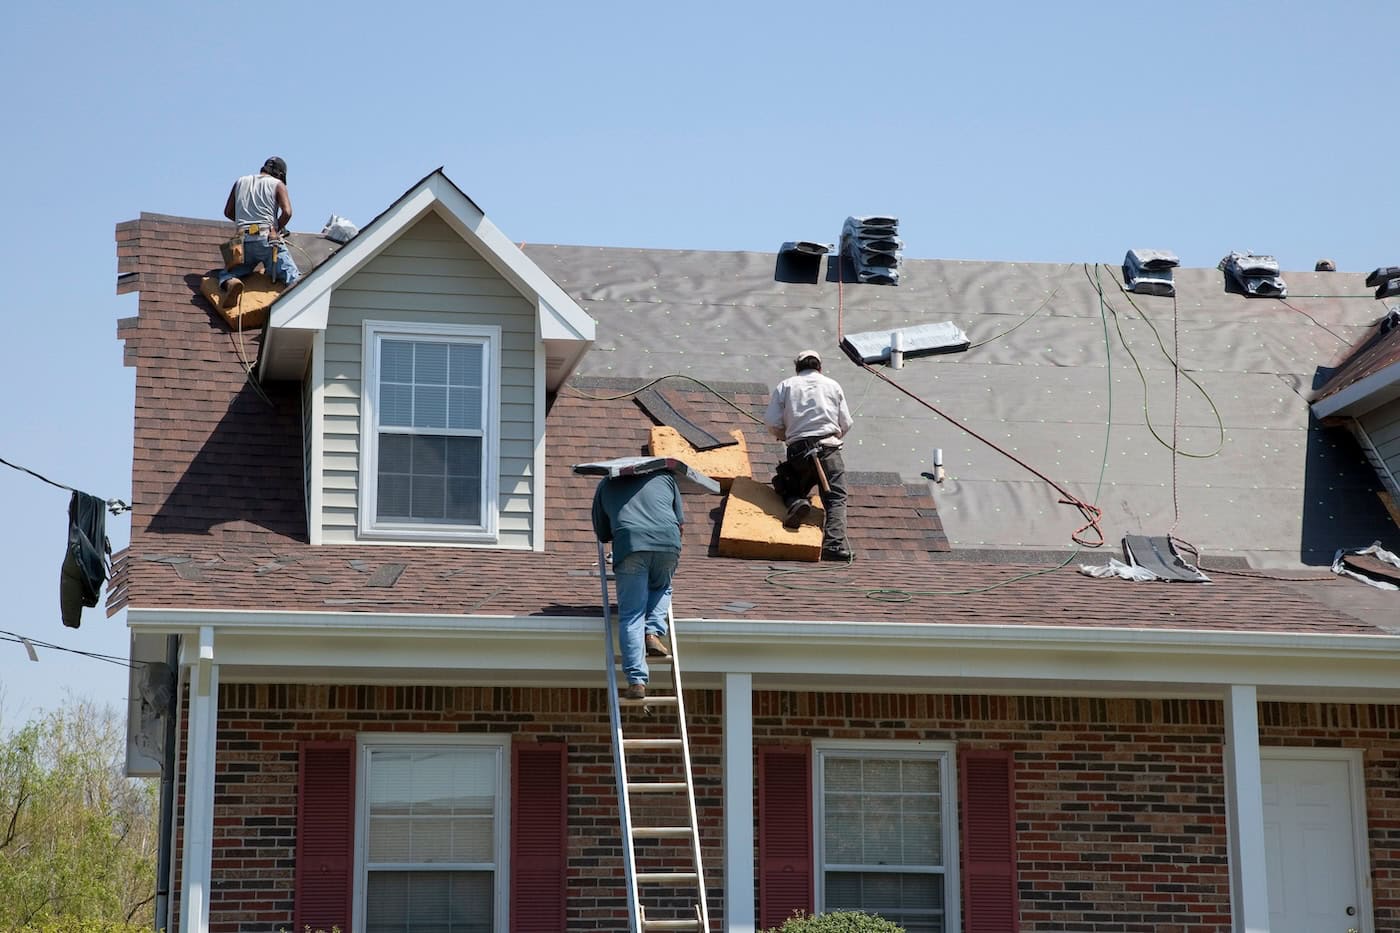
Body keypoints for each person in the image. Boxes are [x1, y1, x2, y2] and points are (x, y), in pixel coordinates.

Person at [591, 470, 684, 700]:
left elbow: (603, 533)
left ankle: (637, 681)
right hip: (668, 541)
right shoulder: (665, 478)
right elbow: (680, 523)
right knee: (662, 587)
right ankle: (652, 633)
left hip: (630, 542)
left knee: (632, 614)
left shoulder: (606, 483)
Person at [765, 349, 855, 561]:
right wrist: (834, 435)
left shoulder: (786, 386)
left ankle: (796, 501)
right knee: (835, 497)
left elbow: (771, 422)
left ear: (797, 369)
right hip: (828, 449)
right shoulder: (832, 385)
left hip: (799, 451)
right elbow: (846, 423)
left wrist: (786, 435)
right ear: (820, 368)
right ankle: (833, 545)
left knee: (786, 486)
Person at [218, 157, 300, 309]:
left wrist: (245, 223)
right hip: (266, 239)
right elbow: (287, 212)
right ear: (280, 174)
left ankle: (232, 283)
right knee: (293, 277)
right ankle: (287, 308)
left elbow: (228, 212)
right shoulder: (278, 184)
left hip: (241, 242)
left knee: (227, 274)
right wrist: (276, 229)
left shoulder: (240, 182)